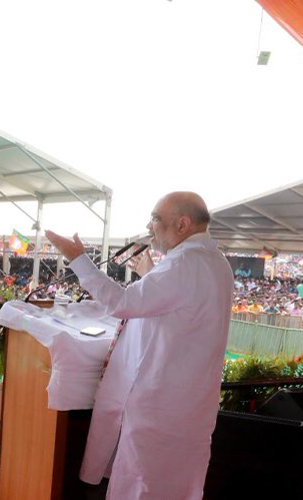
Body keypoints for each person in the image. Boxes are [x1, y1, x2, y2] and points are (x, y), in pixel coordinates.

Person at [45, 191, 233, 499]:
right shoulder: (215, 262)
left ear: (183, 224)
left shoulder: (183, 263)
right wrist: (150, 273)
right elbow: (177, 306)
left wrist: (78, 259)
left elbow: (122, 303)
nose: (150, 226)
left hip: (162, 399)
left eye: (156, 218)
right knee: (178, 481)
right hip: (191, 401)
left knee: (142, 480)